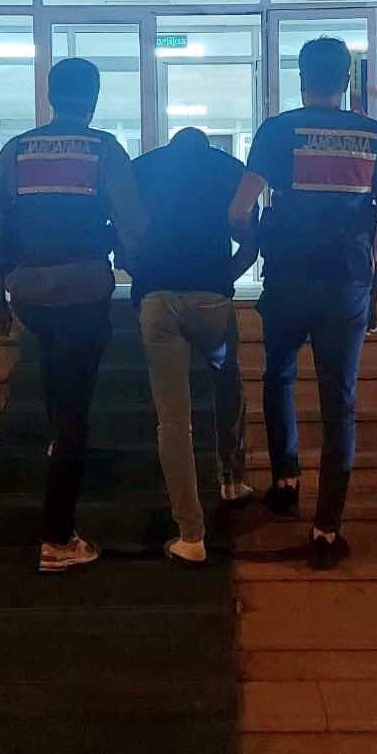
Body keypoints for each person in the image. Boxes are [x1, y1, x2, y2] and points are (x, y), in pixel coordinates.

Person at [228, 36, 377, 571]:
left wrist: (257, 243)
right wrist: (375, 295)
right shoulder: (373, 136)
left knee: (278, 376)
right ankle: (326, 529)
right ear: (346, 80)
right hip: (346, 286)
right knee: (339, 404)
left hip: (287, 281)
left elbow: (238, 211)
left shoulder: (277, 130)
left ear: (302, 79)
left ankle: (285, 481)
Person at [0, 57, 146, 574]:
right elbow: (131, 223)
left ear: (51, 97)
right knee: (76, 403)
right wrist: (140, 271)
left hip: (29, 293)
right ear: (93, 99)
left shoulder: (16, 149)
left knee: (56, 385)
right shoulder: (104, 149)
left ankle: (58, 443)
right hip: (83, 289)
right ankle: (57, 537)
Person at [125, 127, 259, 566]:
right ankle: (232, 479)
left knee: (173, 420)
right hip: (211, 299)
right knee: (227, 379)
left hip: (157, 300)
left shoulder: (141, 169)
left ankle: (190, 535)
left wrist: (143, 273)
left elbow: (121, 237)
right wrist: (223, 277)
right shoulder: (232, 170)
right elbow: (251, 243)